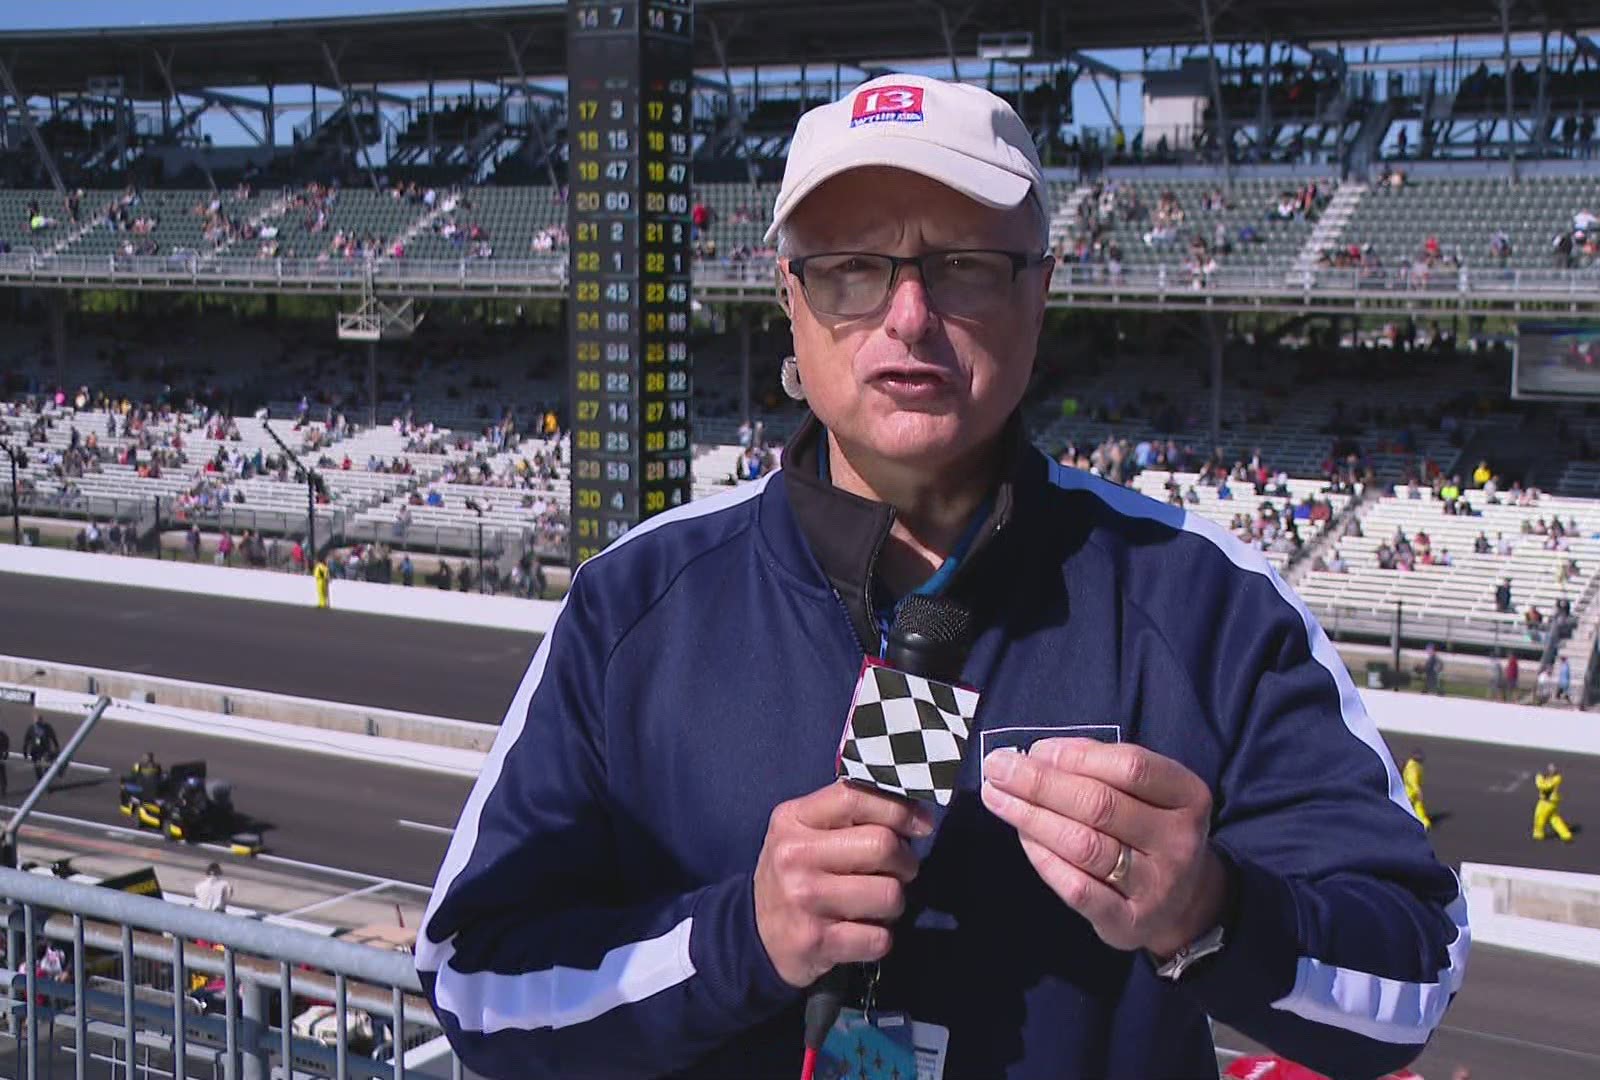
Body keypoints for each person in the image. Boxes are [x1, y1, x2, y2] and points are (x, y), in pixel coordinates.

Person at [414, 75, 1466, 1080]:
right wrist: (743, 937)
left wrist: (1212, 915)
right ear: (791, 296)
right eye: (851, 268)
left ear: (1041, 289)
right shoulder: (632, 603)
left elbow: (1414, 972)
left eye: (963, 264)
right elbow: (475, 986)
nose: (908, 316)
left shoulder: (1204, 601)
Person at [1533, 762, 1574, 842]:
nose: (1550, 770)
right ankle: (1566, 835)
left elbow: (1544, 787)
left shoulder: (1556, 778)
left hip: (1547, 802)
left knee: (1539, 816)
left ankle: (1538, 834)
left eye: (1552, 768)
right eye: (1550, 768)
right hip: (1550, 802)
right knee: (1554, 819)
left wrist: (1538, 778)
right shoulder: (1549, 777)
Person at [1402, 750, 1431, 829]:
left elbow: (1411, 780)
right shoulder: (1414, 766)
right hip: (1412, 790)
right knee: (1417, 807)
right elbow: (1412, 780)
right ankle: (1425, 823)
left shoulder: (1412, 766)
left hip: (1410, 791)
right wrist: (1418, 791)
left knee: (1407, 807)